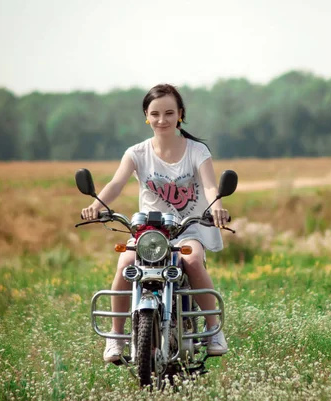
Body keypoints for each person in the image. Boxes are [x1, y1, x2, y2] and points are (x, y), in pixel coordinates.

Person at [81, 83, 230, 362]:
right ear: (146, 116)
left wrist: (217, 207)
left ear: (180, 115)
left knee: (194, 260)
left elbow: (210, 186)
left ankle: (213, 330)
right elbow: (115, 184)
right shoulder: (136, 153)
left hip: (187, 227)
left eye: (169, 113)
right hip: (150, 231)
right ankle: (115, 337)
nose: (162, 120)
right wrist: (96, 205)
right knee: (125, 263)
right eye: (155, 114)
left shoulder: (198, 151)